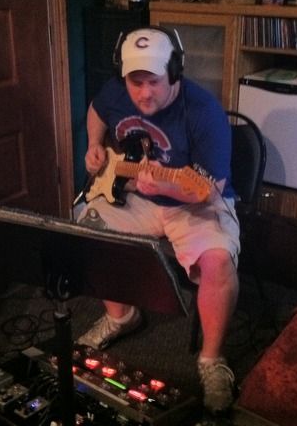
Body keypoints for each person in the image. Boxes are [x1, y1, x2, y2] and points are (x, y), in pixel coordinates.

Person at [76, 26, 240, 414]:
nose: (144, 93)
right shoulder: (116, 92)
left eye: (154, 81)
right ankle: (121, 317)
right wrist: (95, 145)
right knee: (84, 230)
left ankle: (211, 360)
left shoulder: (204, 111)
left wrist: (166, 187)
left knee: (218, 261)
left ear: (175, 72)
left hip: (194, 201)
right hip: (137, 196)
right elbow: (97, 109)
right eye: (136, 83)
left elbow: (207, 190)